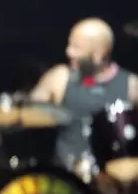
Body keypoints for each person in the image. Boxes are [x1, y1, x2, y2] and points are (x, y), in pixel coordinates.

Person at [30, 17, 138, 181]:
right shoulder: (59, 78)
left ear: (99, 54)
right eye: (69, 45)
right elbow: (24, 115)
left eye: (76, 48)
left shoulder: (131, 85)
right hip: (66, 180)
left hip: (113, 182)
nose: (69, 52)